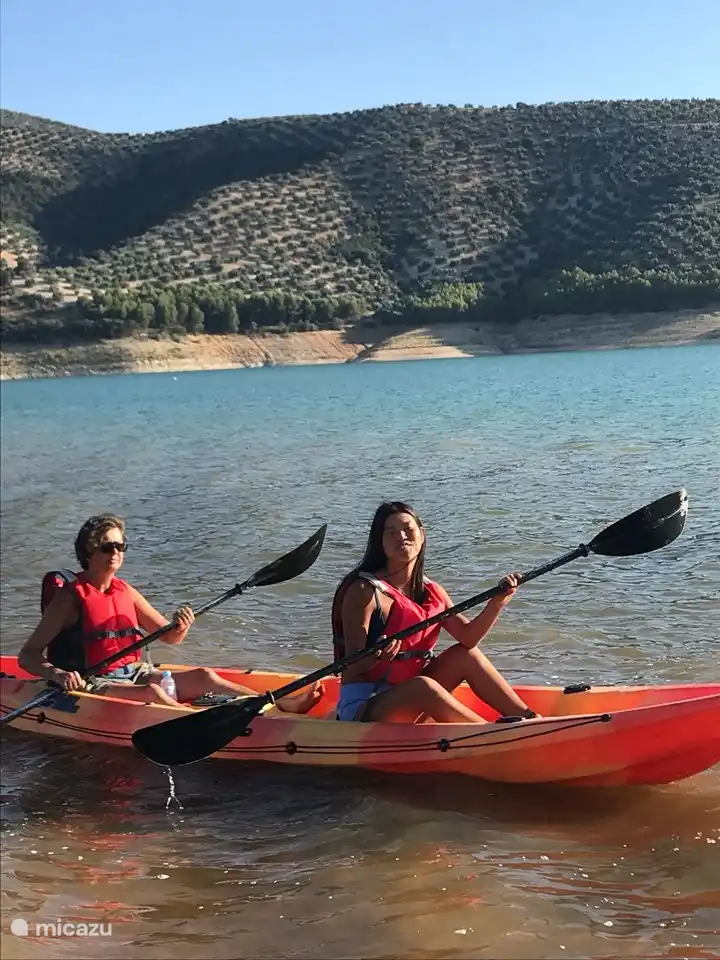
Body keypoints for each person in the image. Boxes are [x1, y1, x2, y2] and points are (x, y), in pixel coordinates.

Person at [19, 514, 324, 713]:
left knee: (204, 676)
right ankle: (199, 722)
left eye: (121, 546)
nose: (115, 553)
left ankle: (277, 705)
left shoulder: (125, 591)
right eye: (107, 547)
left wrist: (182, 625)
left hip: (135, 674)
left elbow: (171, 637)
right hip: (92, 682)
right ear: (88, 550)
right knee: (153, 693)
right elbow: (28, 656)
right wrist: (57, 674)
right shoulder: (69, 599)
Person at [331, 501, 538, 723]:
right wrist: (376, 656)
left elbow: (469, 638)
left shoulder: (432, 590)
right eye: (390, 533)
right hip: (364, 708)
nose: (401, 537)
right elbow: (352, 664)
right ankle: (488, 732)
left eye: (408, 529)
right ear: (380, 542)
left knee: (465, 655)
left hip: (413, 701)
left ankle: (530, 719)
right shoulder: (363, 591)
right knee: (422, 686)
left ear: (422, 534)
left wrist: (497, 602)